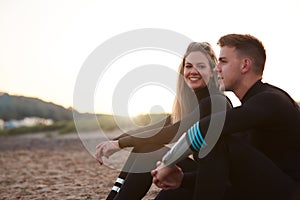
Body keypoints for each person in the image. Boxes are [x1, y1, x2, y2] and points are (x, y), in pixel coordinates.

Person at [151, 34, 300, 200]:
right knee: (177, 191)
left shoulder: (270, 100)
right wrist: (182, 179)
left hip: (288, 193)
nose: (216, 68)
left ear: (245, 65)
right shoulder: (251, 108)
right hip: (262, 188)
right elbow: (228, 174)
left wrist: (167, 162)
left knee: (214, 139)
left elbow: (204, 127)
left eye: (223, 61)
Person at [94, 42, 233, 200]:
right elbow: (156, 128)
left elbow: (173, 132)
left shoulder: (216, 101)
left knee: (148, 150)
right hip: (199, 175)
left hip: (218, 182)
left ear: (213, 70)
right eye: (188, 66)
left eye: (201, 66)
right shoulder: (192, 103)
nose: (193, 71)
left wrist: (120, 144)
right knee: (144, 146)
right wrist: (115, 141)